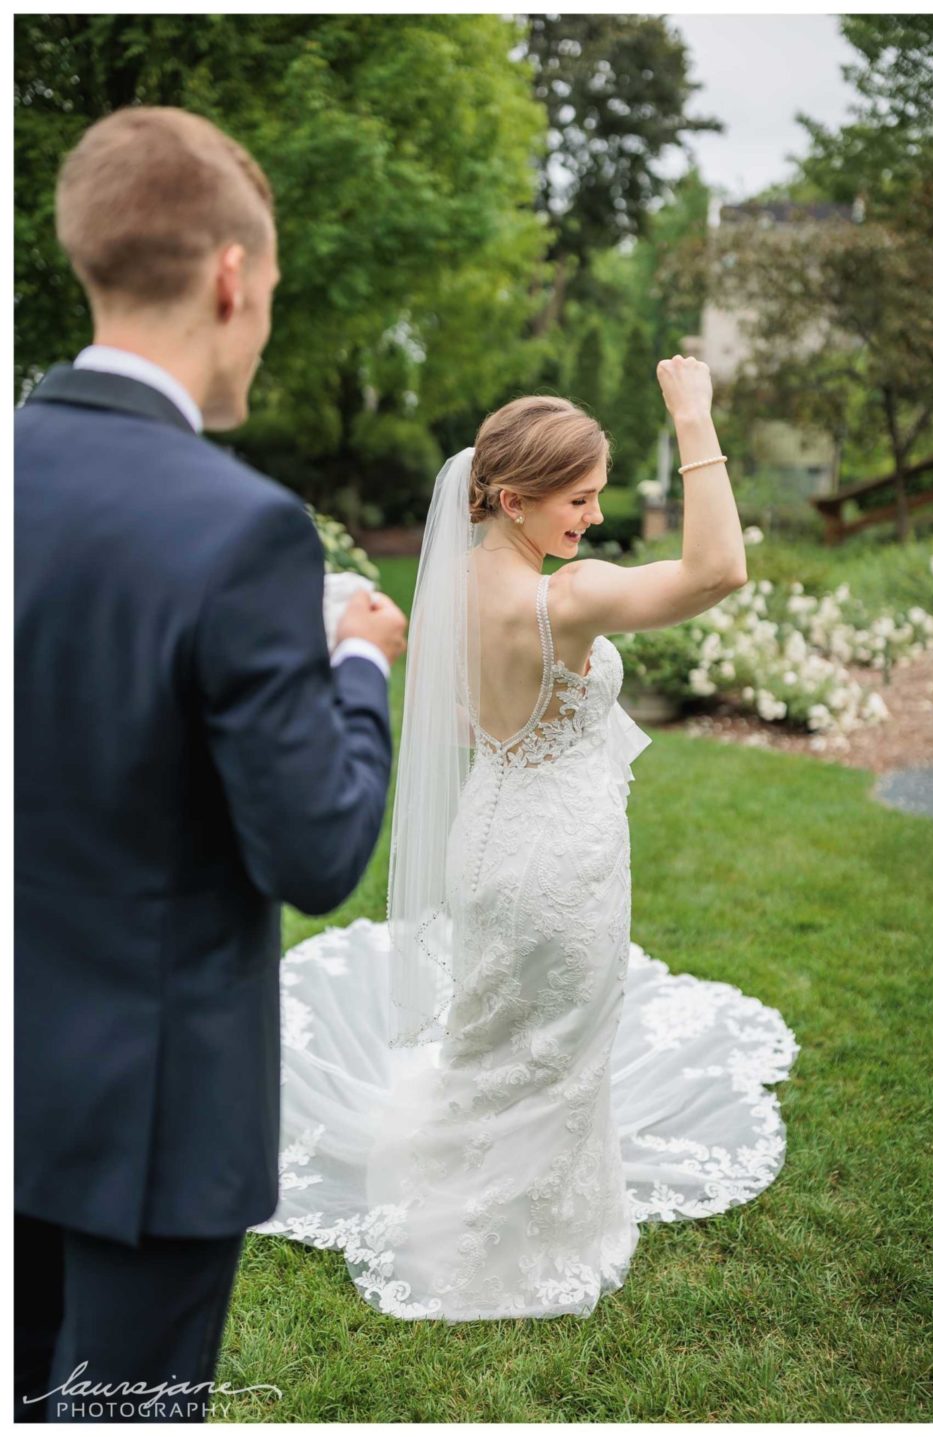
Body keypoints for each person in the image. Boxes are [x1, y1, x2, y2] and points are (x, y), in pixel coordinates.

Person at [250, 374, 797, 1320]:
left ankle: (455, 1191)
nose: (593, 515)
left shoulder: (448, 590)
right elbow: (716, 571)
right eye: (578, 497)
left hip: (488, 836)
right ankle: (536, 1229)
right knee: (560, 1045)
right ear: (510, 499)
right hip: (563, 855)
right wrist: (694, 418)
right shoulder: (567, 598)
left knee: (492, 1040)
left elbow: (467, 722)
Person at [15, 107, 403, 1421]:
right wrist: (357, 669)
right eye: (274, 294)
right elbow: (316, 850)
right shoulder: (239, 535)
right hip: (149, 1115)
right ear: (232, 276)